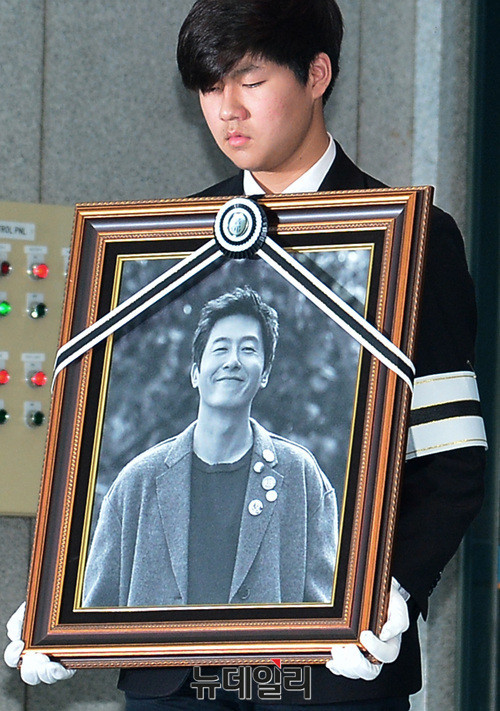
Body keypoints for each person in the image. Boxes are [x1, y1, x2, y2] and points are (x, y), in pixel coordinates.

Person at [4, 0, 486, 709]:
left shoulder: (414, 239)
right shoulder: (166, 241)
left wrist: (395, 587)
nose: (227, 110)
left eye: (251, 82)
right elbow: (110, 444)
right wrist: (61, 599)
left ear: (316, 74)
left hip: (333, 678)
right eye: (209, 87)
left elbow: (452, 457)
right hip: (174, 682)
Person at [82, 286, 338, 607]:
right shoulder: (135, 484)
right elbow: (92, 615)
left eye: (248, 349)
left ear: (265, 374)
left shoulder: (301, 477)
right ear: (195, 373)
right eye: (220, 348)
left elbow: (328, 614)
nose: (233, 361)